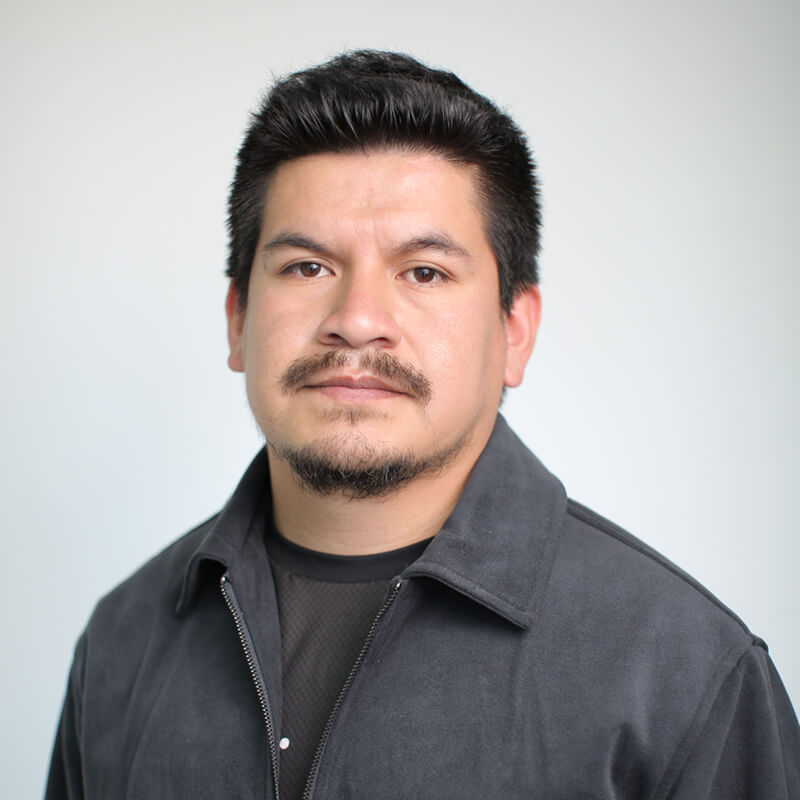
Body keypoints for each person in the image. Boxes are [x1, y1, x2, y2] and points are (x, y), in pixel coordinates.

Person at [46, 50, 799, 800]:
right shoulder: (121, 645)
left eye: (424, 272)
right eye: (307, 267)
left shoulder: (686, 675)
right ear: (238, 319)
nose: (356, 320)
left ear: (515, 330)